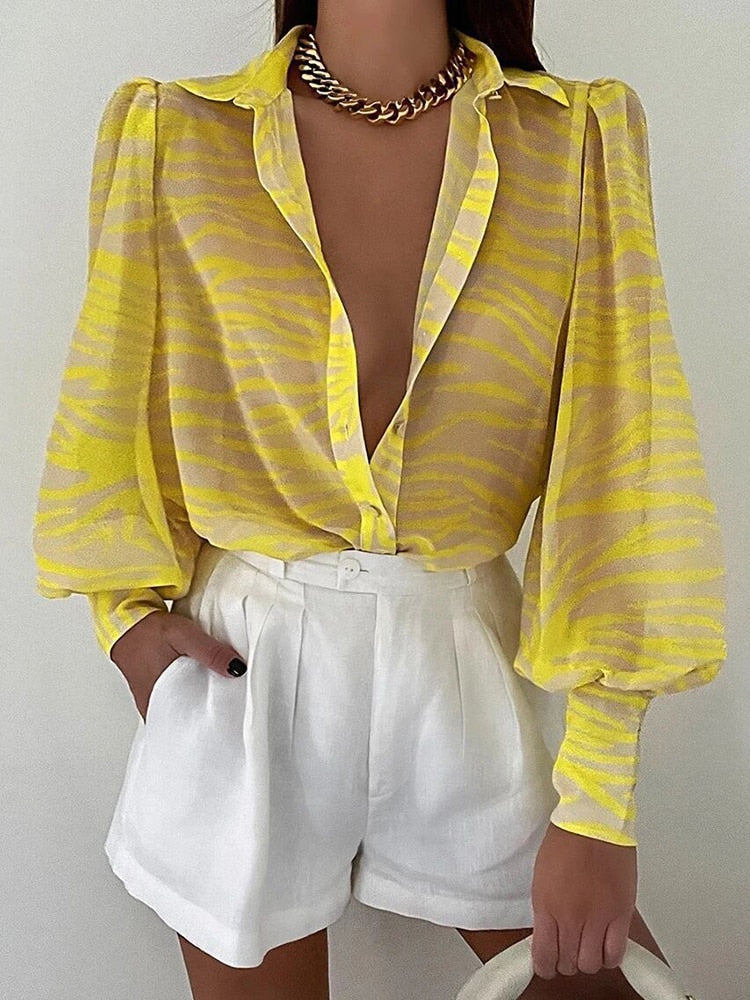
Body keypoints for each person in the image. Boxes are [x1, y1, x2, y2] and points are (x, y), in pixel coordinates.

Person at [32, 1, 727, 998]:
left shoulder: (574, 143)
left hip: (464, 664)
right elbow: (110, 407)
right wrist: (126, 620)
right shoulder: (177, 134)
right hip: (244, 667)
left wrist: (599, 802)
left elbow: (622, 466)